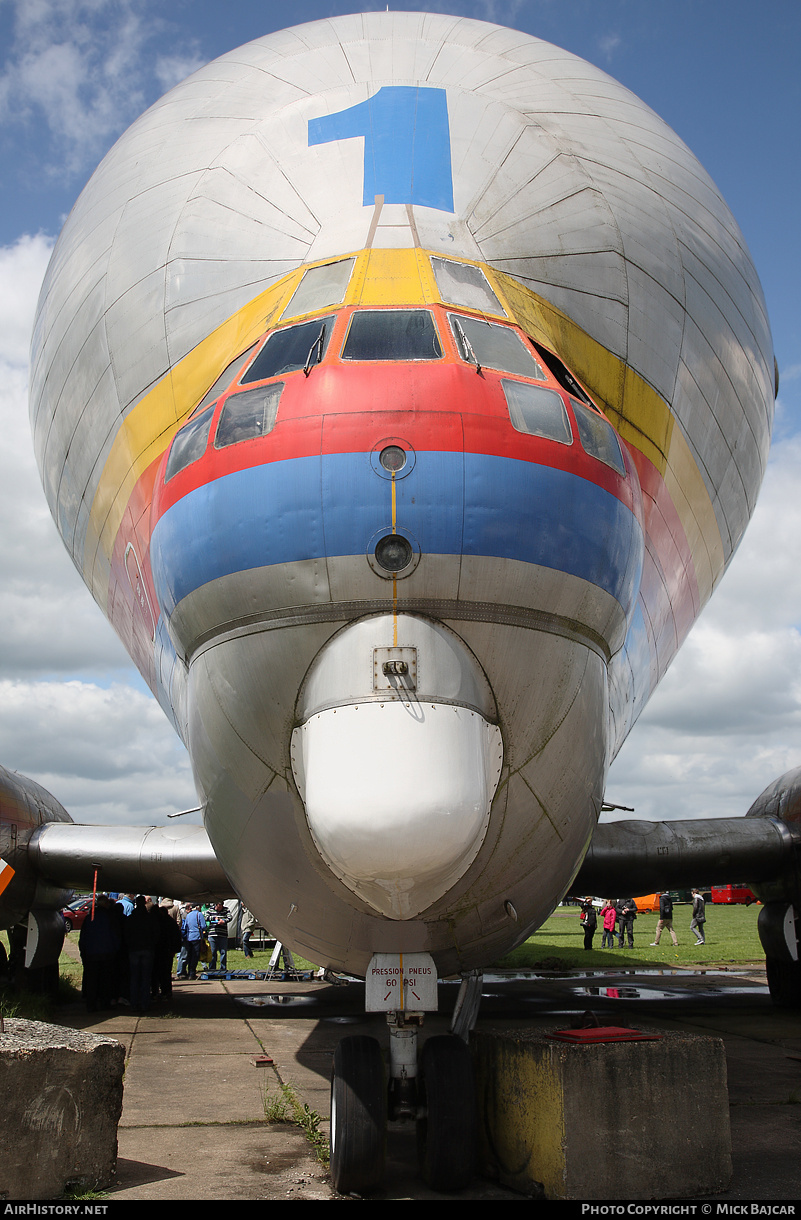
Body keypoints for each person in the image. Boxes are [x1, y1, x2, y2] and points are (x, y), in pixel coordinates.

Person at [78, 894, 120, 1012]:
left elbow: (84, 936)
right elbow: (115, 935)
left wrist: (84, 951)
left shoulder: (90, 917)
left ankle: (91, 1004)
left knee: (92, 980)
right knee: (105, 980)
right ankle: (105, 1003)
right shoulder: (110, 917)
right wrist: (116, 949)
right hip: (107, 953)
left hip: (92, 953)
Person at [124, 894, 159, 1012]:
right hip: (147, 949)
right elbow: (155, 934)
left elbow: (126, 934)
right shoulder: (149, 919)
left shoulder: (131, 919)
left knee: (134, 977)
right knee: (145, 977)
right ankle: (145, 1002)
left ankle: (134, 1002)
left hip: (134, 949)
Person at [181, 903, 207, 979]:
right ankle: (192, 973)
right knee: (195, 956)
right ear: (197, 907)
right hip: (197, 937)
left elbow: (186, 926)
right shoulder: (199, 914)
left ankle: (188, 971)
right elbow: (204, 926)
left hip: (189, 937)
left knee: (189, 955)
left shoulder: (188, 915)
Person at [208, 902, 229, 971]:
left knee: (223, 952)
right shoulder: (210, 910)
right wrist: (214, 918)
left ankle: (223, 968)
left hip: (222, 934)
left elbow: (230, 917)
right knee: (213, 952)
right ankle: (212, 968)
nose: (220, 908)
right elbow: (205, 916)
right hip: (212, 934)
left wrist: (223, 921)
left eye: (221, 907)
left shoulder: (226, 910)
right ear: (215, 905)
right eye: (218, 907)